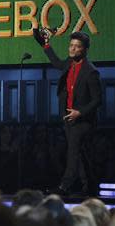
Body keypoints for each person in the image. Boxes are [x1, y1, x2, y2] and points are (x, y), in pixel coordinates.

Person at [34, 29, 102, 195]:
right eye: (71, 45)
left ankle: (65, 186)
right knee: (79, 153)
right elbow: (57, 63)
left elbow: (97, 100)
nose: (72, 49)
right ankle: (90, 186)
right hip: (68, 118)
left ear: (84, 50)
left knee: (73, 151)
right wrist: (45, 44)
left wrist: (80, 112)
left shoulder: (91, 72)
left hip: (83, 121)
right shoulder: (69, 63)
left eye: (76, 46)